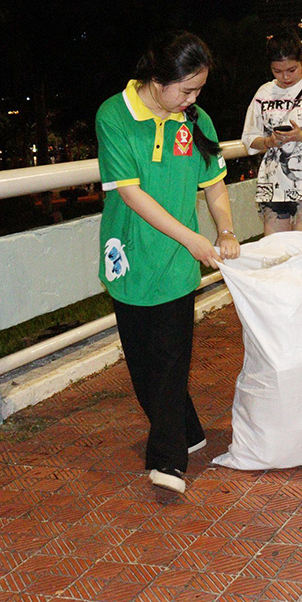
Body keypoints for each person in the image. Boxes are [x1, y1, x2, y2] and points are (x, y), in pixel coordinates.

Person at [96, 31, 241, 494]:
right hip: (130, 257)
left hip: (179, 261)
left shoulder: (195, 121)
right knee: (142, 363)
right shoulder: (115, 115)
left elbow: (215, 184)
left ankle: (168, 458)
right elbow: (131, 192)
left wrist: (225, 230)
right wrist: (193, 237)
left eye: (198, 90)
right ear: (157, 79)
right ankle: (191, 430)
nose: (192, 99)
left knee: (172, 357)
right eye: (186, 89)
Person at [241, 27, 302, 234]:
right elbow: (249, 138)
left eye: (291, 70)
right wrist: (269, 142)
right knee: (274, 252)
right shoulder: (263, 93)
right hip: (272, 186)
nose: (285, 77)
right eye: (277, 71)